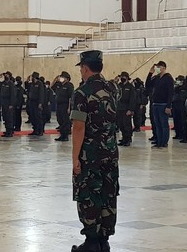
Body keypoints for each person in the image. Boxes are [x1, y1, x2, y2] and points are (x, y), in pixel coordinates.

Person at [70, 50, 119, 252]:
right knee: (108, 192)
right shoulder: (113, 88)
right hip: (110, 152)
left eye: (81, 68)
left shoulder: (82, 93)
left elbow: (79, 127)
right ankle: (104, 240)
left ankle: (91, 242)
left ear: (85, 68)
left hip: (90, 154)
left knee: (89, 194)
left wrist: (75, 159)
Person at [145, 61, 174, 148]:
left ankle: (164, 142)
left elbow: (171, 92)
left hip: (163, 104)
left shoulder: (168, 78)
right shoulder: (156, 78)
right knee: (157, 124)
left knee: (164, 124)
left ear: (163, 67)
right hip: (155, 104)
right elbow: (147, 85)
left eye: (159, 67)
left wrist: (168, 106)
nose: (157, 68)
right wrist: (150, 73)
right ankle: (159, 141)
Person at [116, 71, 137, 147]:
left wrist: (131, 109)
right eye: (121, 77)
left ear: (127, 78)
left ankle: (128, 139)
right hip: (119, 107)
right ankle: (124, 138)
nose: (122, 78)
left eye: (123, 77)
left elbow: (133, 99)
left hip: (126, 107)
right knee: (121, 124)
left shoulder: (130, 87)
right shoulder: (119, 86)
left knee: (126, 124)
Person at [54, 72, 75, 141]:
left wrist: (69, 107)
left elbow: (70, 97)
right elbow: (52, 88)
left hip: (65, 105)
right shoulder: (59, 85)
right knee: (59, 119)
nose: (61, 78)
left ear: (67, 79)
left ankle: (65, 136)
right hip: (59, 105)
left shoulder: (69, 85)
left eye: (63, 77)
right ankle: (62, 134)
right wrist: (55, 80)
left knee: (65, 120)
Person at [0, 71, 17, 137]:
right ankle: (7, 130)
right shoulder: (3, 83)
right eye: (5, 75)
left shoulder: (11, 84)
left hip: (8, 102)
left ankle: (10, 131)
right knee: (5, 117)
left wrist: (11, 104)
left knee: (9, 117)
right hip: (4, 102)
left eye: (7, 75)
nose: (5, 76)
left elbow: (13, 95)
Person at [28, 72, 46, 136]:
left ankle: (40, 130)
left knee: (38, 117)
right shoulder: (32, 84)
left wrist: (40, 103)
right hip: (32, 102)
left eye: (33, 77)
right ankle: (35, 130)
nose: (32, 78)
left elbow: (41, 94)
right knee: (33, 117)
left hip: (37, 103)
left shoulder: (40, 84)